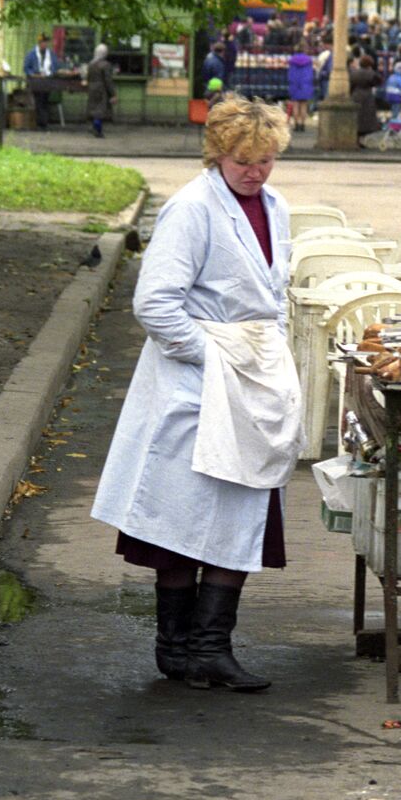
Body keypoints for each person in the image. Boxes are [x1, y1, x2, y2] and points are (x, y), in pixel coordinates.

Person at [90, 94, 303, 693]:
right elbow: (154, 303)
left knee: (241, 510)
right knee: (182, 517)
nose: (254, 171)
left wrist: (271, 366)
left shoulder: (276, 206)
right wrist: (214, 359)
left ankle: (208, 649)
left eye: (265, 160)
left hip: (253, 380)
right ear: (217, 153)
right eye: (243, 160)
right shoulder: (191, 208)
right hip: (196, 380)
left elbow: (272, 294)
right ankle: (177, 650)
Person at [22, 34, 58, 130]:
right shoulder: (32, 54)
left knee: (45, 101)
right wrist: (33, 74)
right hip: (36, 81)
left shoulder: (51, 54)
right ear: (39, 43)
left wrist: (50, 72)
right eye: (43, 42)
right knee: (38, 101)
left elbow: (55, 66)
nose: (45, 44)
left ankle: (44, 123)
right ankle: (40, 123)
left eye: (46, 42)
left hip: (47, 80)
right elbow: (26, 68)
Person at [85, 43, 117, 138]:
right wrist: (113, 94)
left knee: (93, 109)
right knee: (100, 111)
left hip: (92, 88)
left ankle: (94, 127)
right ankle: (98, 130)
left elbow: (88, 77)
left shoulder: (91, 64)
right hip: (101, 89)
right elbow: (108, 80)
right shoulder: (106, 65)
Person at [350, 55, 383, 144]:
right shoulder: (371, 73)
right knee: (367, 119)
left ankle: (356, 138)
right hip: (367, 97)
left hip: (356, 96)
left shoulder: (354, 73)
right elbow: (379, 81)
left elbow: (351, 85)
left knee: (357, 118)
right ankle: (361, 139)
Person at [286, 44, 315, 131]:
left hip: (295, 84)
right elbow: (310, 73)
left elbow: (290, 74)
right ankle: (302, 124)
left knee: (296, 105)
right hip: (305, 84)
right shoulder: (309, 60)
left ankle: (296, 124)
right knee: (304, 105)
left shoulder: (292, 60)